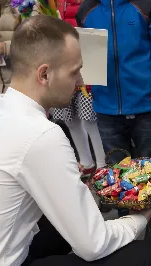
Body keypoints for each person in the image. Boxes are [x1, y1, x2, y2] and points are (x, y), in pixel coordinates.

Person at [0, 15, 151, 266]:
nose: (81, 81)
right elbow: (94, 244)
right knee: (150, 256)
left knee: (61, 225)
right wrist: (142, 217)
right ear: (45, 74)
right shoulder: (41, 134)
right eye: (75, 71)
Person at [76, 0, 151, 245]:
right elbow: (86, 57)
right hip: (106, 108)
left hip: (145, 105)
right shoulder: (86, 10)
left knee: (150, 168)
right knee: (118, 169)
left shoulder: (147, 6)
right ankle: (126, 220)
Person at [53, 0, 106, 176]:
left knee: (89, 119)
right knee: (69, 118)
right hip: (62, 65)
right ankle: (86, 161)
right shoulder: (58, 3)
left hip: (84, 65)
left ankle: (101, 164)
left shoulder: (88, 4)